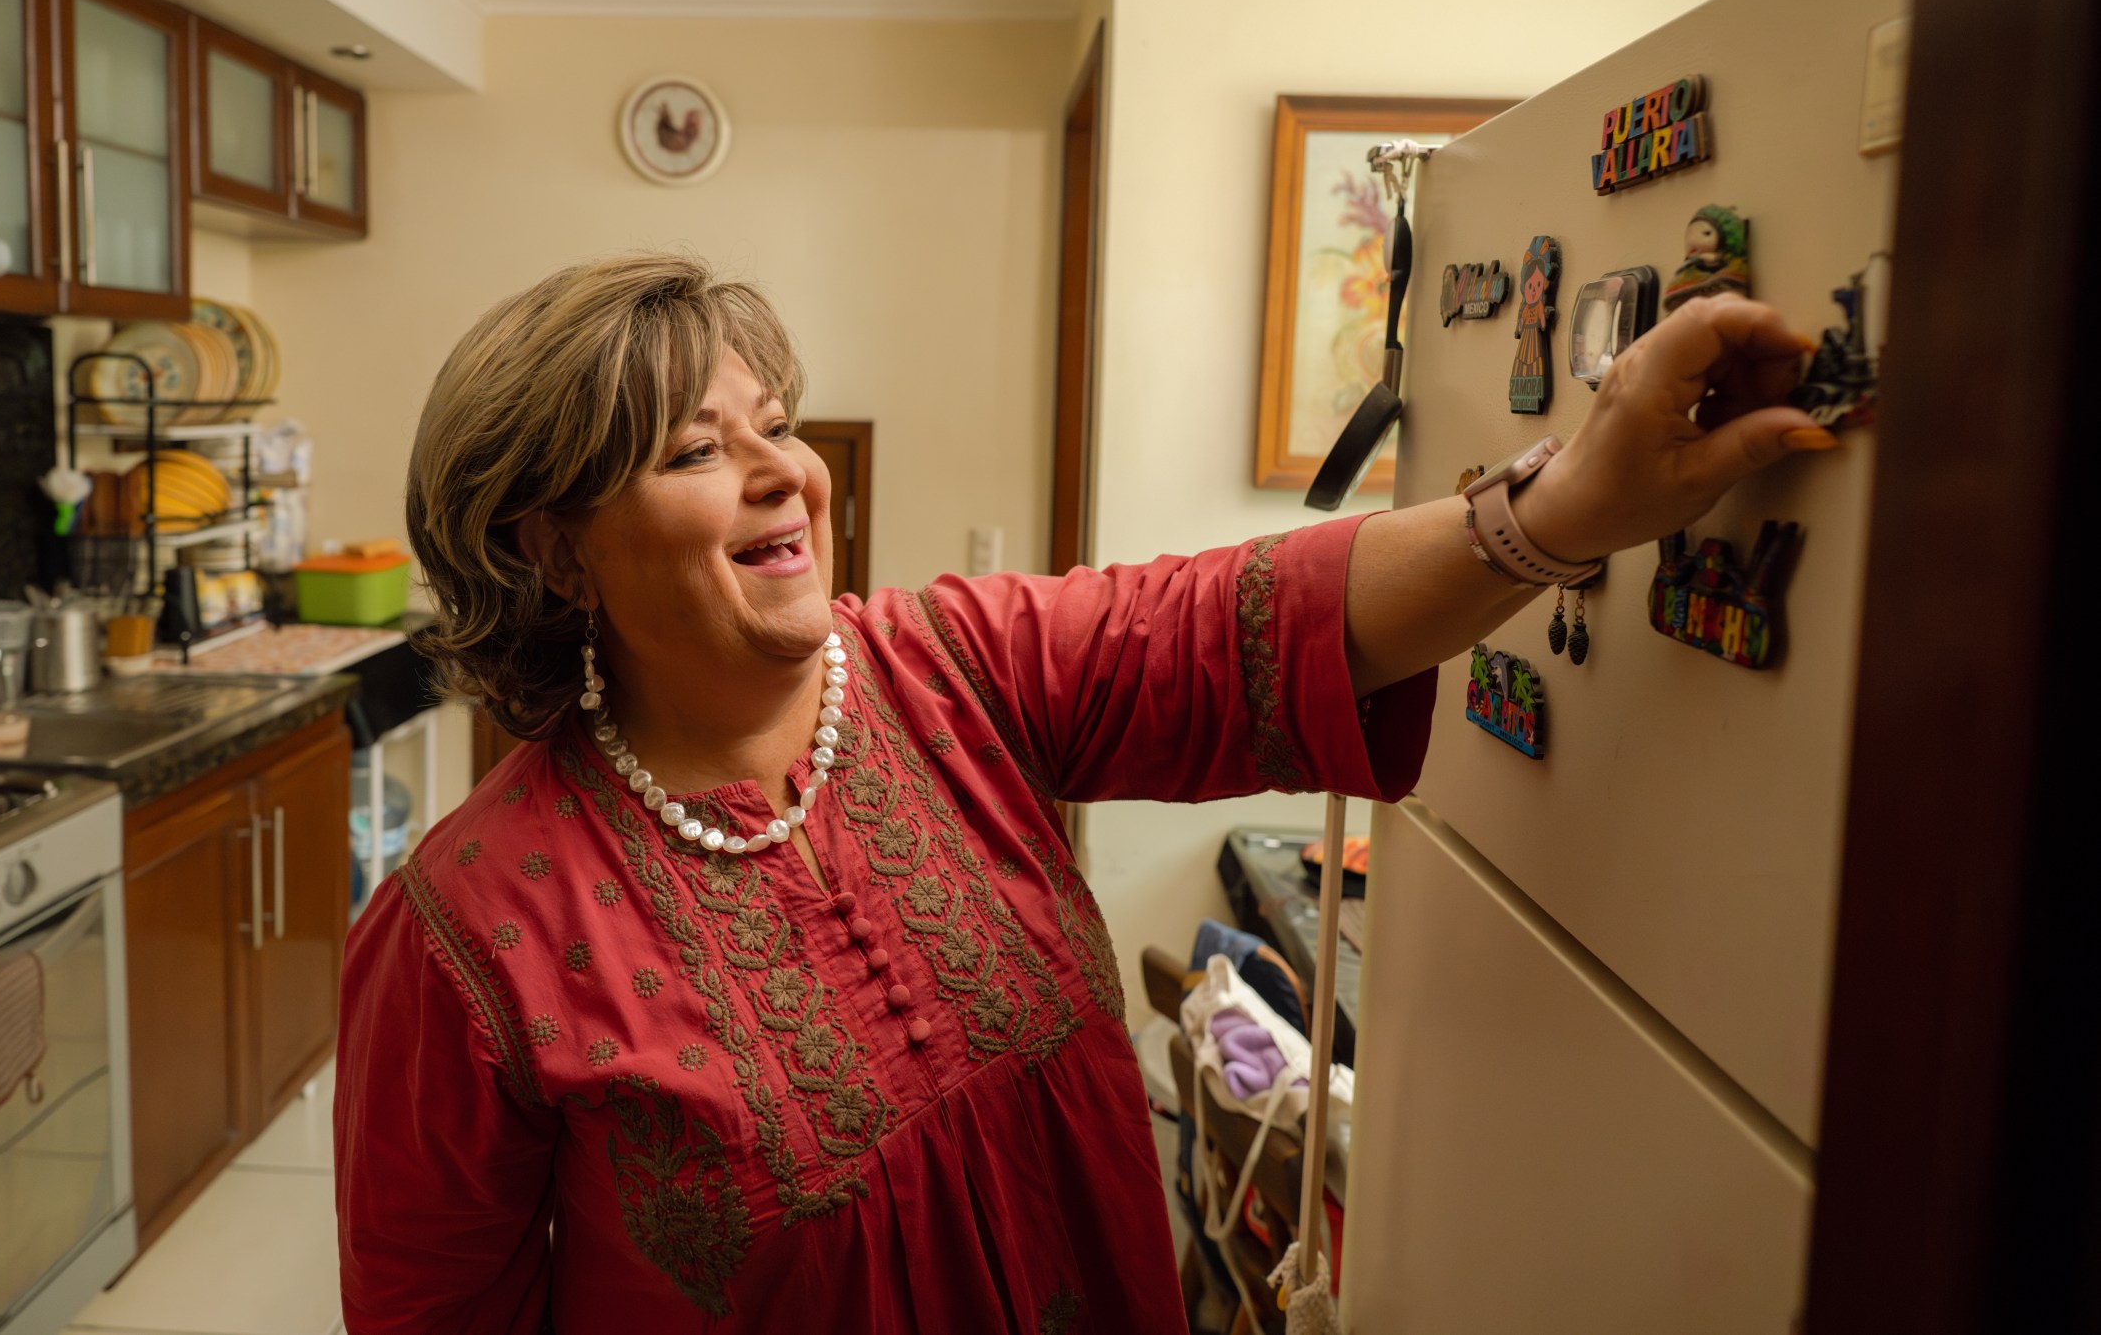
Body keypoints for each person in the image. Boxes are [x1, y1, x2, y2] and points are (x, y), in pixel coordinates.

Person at [335, 251, 1835, 1334]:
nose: (782, 472)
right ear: (550, 543)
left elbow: (1239, 619)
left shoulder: (956, 671)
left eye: (778, 423)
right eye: (691, 451)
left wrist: (1572, 504)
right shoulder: (463, 936)